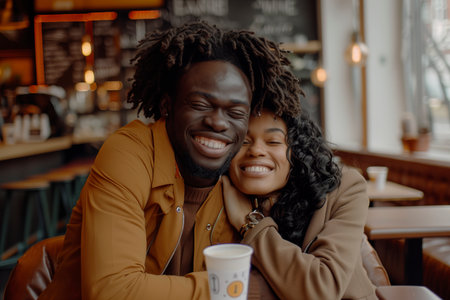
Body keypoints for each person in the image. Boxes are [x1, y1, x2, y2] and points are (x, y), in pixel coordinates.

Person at [38, 21, 303, 300]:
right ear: (167, 106)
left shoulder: (244, 179)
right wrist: (235, 289)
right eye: (200, 105)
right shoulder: (130, 153)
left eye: (236, 112)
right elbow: (112, 291)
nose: (217, 122)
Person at [223, 108, 378, 299]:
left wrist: (251, 225)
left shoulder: (344, 187)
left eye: (273, 141)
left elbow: (322, 288)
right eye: (244, 141)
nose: (255, 150)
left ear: (297, 152)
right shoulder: (219, 194)